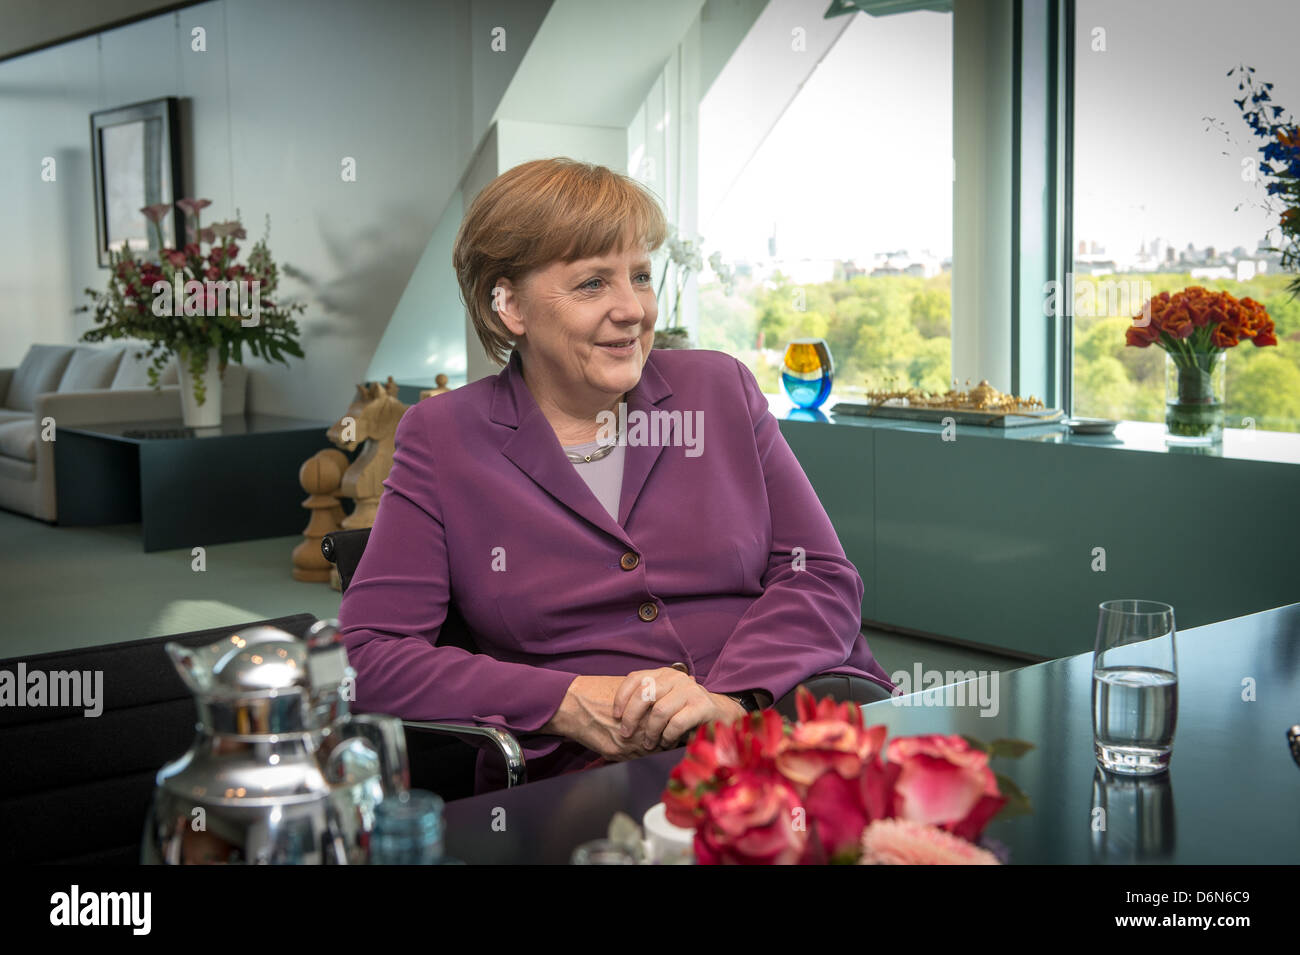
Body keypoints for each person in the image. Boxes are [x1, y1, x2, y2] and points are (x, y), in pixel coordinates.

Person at [338, 157, 894, 792]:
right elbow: (367, 656)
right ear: (509, 305)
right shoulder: (442, 438)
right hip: (597, 768)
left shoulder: (720, 389)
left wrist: (732, 699)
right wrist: (569, 701)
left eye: (640, 276)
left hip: (789, 711)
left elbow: (819, 574)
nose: (633, 310)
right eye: (592, 284)